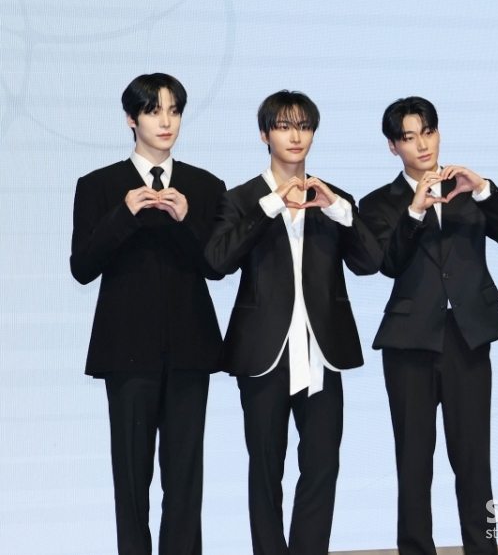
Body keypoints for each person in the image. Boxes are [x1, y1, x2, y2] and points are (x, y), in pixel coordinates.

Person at [204, 91, 381, 555]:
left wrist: (338, 209)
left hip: (322, 351)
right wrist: (268, 207)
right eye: (284, 126)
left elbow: (370, 262)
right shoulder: (241, 199)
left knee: (322, 466)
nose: (295, 135)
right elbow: (217, 261)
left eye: (303, 126)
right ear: (265, 135)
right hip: (264, 351)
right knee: (266, 469)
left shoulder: (333, 198)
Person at [358, 97, 498, 555]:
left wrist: (484, 188)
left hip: (466, 338)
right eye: (409, 137)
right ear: (393, 146)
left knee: (474, 461)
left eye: (428, 132)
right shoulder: (379, 203)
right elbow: (388, 263)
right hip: (409, 343)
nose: (422, 145)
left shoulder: (467, 189)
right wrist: (414, 212)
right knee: (414, 463)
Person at [70, 72, 226, 555]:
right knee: (131, 478)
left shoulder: (204, 185)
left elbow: (217, 266)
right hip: (126, 353)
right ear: (130, 119)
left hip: (190, 351)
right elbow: (82, 267)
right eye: (154, 111)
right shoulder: (99, 185)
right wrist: (123, 215)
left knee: (185, 480)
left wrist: (186, 220)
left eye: (174, 110)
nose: (166, 121)